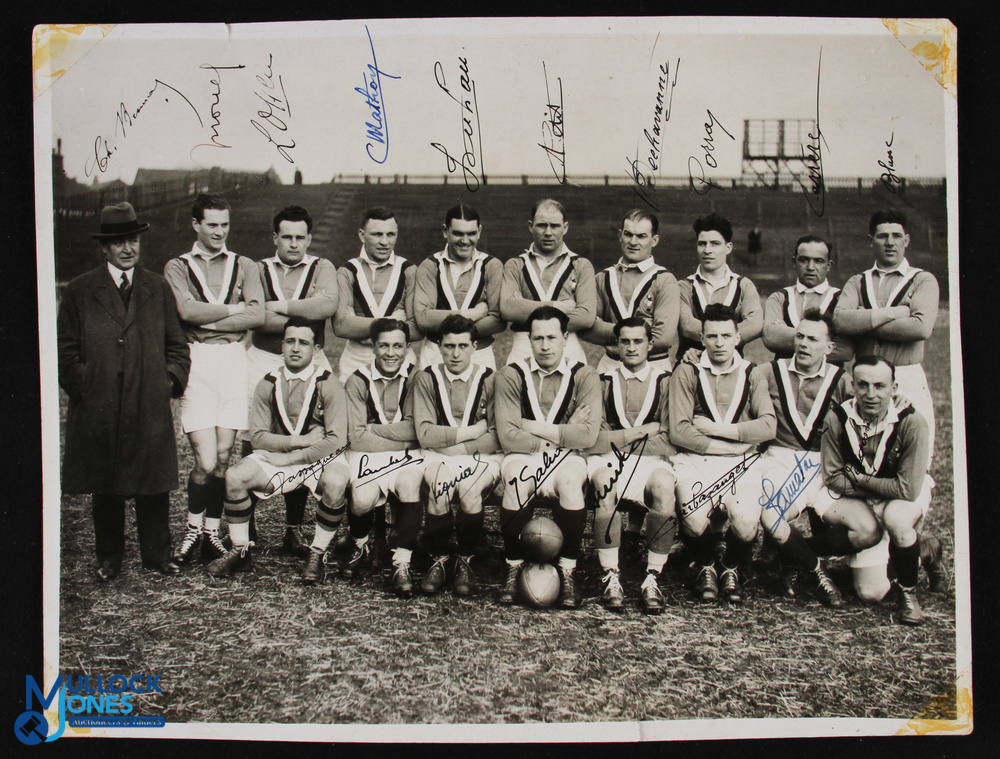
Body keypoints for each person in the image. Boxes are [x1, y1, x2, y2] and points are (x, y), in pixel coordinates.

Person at [58, 202, 191, 581]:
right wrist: (88, 383)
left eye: (132, 240)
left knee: (152, 482)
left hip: (147, 400)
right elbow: (65, 352)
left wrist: (166, 381)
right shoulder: (81, 290)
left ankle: (157, 555)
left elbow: (177, 346)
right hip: (99, 404)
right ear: (105, 248)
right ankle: (109, 558)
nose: (128, 248)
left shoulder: (157, 287)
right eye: (119, 242)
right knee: (106, 483)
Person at [164, 194, 265, 566]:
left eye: (224, 224)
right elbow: (184, 310)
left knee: (223, 457)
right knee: (205, 460)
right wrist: (232, 310)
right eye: (212, 225)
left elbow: (256, 315)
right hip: (198, 361)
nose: (220, 232)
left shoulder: (245, 265)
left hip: (233, 361)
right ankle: (193, 528)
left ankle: (210, 531)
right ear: (196, 225)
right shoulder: (177, 265)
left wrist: (206, 318)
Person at [210, 319, 350, 578]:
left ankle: (317, 553)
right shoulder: (267, 383)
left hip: (319, 458)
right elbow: (258, 437)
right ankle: (241, 550)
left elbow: (336, 440)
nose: (296, 348)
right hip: (282, 456)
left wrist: (295, 456)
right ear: (281, 345)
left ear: (315, 348)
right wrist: (297, 442)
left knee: (337, 481)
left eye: (304, 343)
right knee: (235, 476)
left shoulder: (329, 383)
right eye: (290, 341)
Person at [245, 205, 337, 557]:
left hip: (309, 359)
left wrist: (277, 308)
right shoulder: (257, 268)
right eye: (287, 236)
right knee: (252, 435)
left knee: (303, 435)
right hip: (264, 358)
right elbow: (255, 318)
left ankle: (293, 528)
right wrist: (302, 308)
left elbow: (326, 307)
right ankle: (248, 524)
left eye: (301, 237)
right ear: (275, 238)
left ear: (309, 239)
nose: (294, 243)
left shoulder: (322, 266)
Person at [812, 356, 933, 625]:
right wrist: (871, 489)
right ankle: (920, 551)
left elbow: (907, 488)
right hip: (863, 498)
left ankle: (908, 593)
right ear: (852, 386)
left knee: (898, 519)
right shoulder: (838, 417)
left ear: (894, 387)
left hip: (898, 499)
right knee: (870, 593)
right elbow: (833, 478)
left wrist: (862, 480)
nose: (871, 394)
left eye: (880, 386)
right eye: (863, 385)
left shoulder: (913, 422)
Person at [494, 306, 602, 608]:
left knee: (569, 482)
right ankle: (513, 566)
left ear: (565, 338)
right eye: (538, 338)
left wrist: (530, 426)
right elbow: (507, 436)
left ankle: (568, 569)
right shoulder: (511, 375)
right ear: (528, 339)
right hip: (525, 455)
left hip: (565, 459)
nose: (544, 345)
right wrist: (565, 430)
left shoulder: (585, 375)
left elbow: (588, 436)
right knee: (516, 481)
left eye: (552, 338)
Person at [669, 304, 776, 603]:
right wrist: (736, 443)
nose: (719, 342)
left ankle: (730, 567)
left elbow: (768, 425)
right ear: (701, 338)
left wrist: (717, 430)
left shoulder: (752, 373)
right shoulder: (687, 370)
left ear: (738, 338)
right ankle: (706, 566)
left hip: (741, 463)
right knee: (691, 518)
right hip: (697, 460)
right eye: (712, 336)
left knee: (744, 523)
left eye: (726, 335)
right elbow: (679, 431)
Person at [756, 309, 852, 607]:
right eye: (800, 336)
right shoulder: (768, 372)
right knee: (772, 515)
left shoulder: (843, 381)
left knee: (864, 531)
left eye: (813, 339)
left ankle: (793, 557)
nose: (804, 344)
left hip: (824, 466)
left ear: (829, 347)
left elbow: (872, 411)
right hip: (780, 459)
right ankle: (817, 571)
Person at [587, 317, 677, 613]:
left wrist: (619, 438)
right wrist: (641, 432)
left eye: (638, 341)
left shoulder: (666, 381)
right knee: (603, 484)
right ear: (616, 345)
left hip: (652, 460)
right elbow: (595, 440)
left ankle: (652, 575)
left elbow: (668, 440)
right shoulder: (601, 381)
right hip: (609, 460)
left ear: (651, 344)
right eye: (624, 341)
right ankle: (610, 574)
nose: (631, 347)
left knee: (664, 485)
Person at [833, 210, 939, 461]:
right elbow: (840, 321)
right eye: (882, 236)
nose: (890, 242)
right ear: (871, 241)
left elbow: (920, 328)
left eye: (896, 236)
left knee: (910, 455)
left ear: (907, 240)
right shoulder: (857, 281)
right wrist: (897, 313)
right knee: (863, 454)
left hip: (906, 374)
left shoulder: (922, 280)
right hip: (865, 378)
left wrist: (863, 319)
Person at [412, 315, 502, 595]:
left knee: (469, 489)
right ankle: (438, 560)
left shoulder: (491, 378)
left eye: (463, 346)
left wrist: (459, 447)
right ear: (439, 346)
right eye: (449, 346)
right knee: (440, 487)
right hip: (435, 453)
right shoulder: (426, 377)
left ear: (474, 346)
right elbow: (425, 434)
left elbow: (497, 434)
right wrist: (471, 431)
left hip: (479, 456)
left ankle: (465, 559)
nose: (455, 353)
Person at [340, 318, 425, 597]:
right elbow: (356, 437)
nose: (391, 353)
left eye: (398, 346)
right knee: (362, 499)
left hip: (406, 454)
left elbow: (418, 431)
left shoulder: (417, 377)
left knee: (410, 485)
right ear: (373, 347)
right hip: (368, 454)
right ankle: (360, 543)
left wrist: (374, 428)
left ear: (407, 347)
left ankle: (402, 562)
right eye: (384, 346)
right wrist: (398, 436)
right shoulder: (357, 380)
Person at [499, 199, 597, 366]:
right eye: (541, 225)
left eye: (555, 226)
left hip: (567, 344)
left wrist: (525, 306)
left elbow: (586, 317)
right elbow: (508, 308)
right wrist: (557, 306)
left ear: (565, 227)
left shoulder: (581, 265)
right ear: (531, 226)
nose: (548, 232)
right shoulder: (515, 265)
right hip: (524, 345)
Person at [582, 209, 679, 374]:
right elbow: (587, 327)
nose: (633, 242)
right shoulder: (603, 277)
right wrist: (638, 333)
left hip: (653, 367)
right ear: (620, 235)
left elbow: (664, 336)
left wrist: (611, 333)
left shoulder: (664, 280)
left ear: (654, 240)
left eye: (641, 236)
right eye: (628, 234)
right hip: (611, 364)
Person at [333, 207, 420, 381]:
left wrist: (360, 327)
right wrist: (393, 323)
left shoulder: (409, 270)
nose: (384, 242)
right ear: (362, 235)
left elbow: (417, 330)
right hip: (357, 356)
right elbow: (341, 326)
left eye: (390, 235)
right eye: (377, 234)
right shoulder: (347, 271)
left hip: (398, 355)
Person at [414, 205, 505, 370]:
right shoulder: (430, 266)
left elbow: (497, 321)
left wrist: (450, 328)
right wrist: (471, 314)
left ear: (479, 231)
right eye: (458, 233)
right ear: (445, 231)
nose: (465, 240)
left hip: (479, 352)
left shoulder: (492, 266)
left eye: (471, 233)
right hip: (437, 352)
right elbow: (423, 318)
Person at [677, 213, 762, 359]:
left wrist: (717, 341)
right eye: (702, 243)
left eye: (715, 244)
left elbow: (755, 324)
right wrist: (728, 335)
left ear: (728, 247)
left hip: (732, 370)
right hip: (691, 365)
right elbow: (687, 325)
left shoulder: (744, 285)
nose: (707, 250)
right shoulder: (683, 286)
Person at [762, 235, 854, 364]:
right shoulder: (779, 297)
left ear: (829, 265)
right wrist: (822, 340)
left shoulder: (841, 298)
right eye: (804, 260)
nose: (810, 267)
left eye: (819, 261)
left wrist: (785, 335)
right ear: (794, 262)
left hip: (826, 379)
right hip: (785, 377)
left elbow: (845, 350)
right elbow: (771, 338)